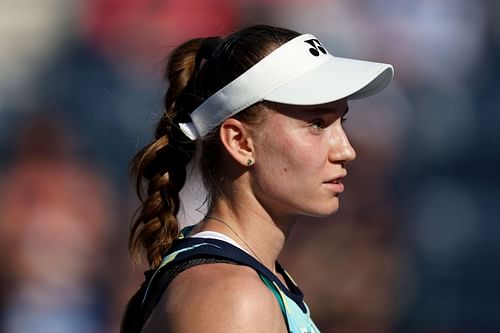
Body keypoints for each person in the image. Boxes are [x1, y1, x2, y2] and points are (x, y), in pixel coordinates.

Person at [121, 24, 394, 333]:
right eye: (317, 124)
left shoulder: (242, 284)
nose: (346, 150)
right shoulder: (233, 297)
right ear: (239, 142)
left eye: (340, 122)